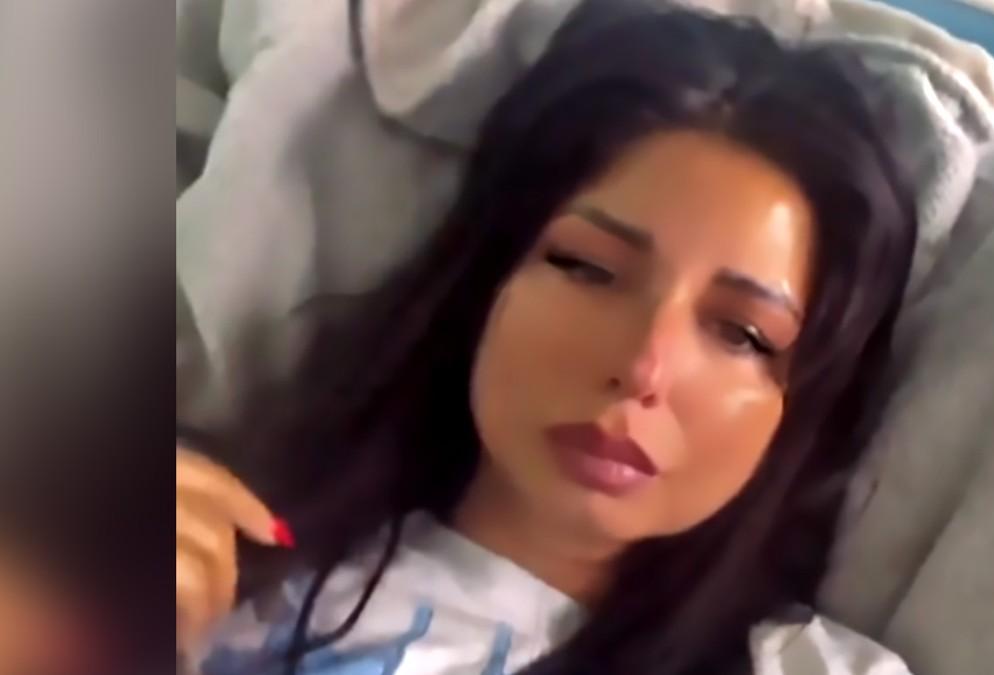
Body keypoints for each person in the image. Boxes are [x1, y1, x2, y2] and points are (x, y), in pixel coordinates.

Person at [176, 2, 918, 673]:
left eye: (742, 333)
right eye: (588, 268)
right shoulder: (204, 547)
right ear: (491, 273)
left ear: (804, 404)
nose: (644, 365)